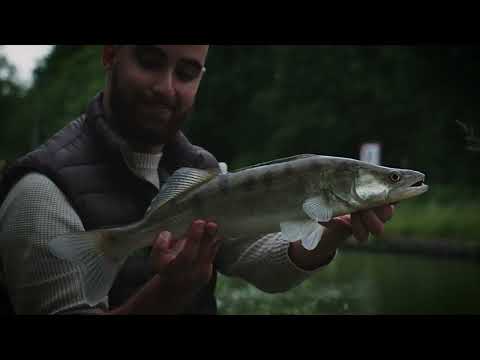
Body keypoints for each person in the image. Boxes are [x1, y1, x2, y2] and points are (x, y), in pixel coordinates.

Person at [0, 45, 395, 315]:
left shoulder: (204, 170)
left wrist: (326, 238)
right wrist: (166, 294)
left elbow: (261, 263)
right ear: (110, 54)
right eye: (151, 61)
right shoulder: (39, 192)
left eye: (187, 72)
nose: (167, 88)